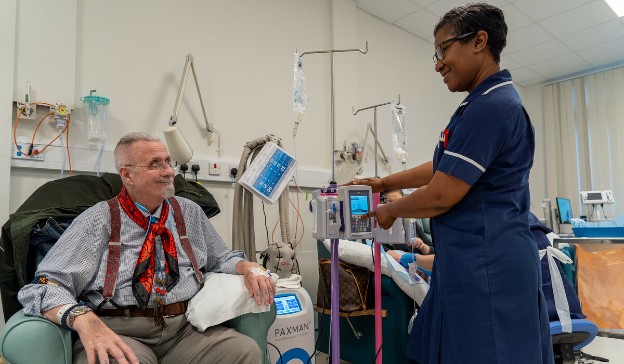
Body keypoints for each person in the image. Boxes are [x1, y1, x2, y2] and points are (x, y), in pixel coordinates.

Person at [346, 4, 553, 363]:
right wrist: (383, 182)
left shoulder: (492, 108)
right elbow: (442, 167)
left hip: (489, 269)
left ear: (479, 41)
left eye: (444, 49)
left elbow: (442, 193)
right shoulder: (480, 105)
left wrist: (390, 211)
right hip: (468, 265)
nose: (438, 63)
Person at [18, 132, 275, 364]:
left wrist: (246, 266)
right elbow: (45, 285)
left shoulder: (188, 212)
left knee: (244, 351)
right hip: (122, 330)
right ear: (127, 174)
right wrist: (83, 319)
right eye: (155, 164)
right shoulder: (98, 220)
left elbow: (221, 258)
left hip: (185, 330)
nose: (169, 171)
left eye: (168, 162)